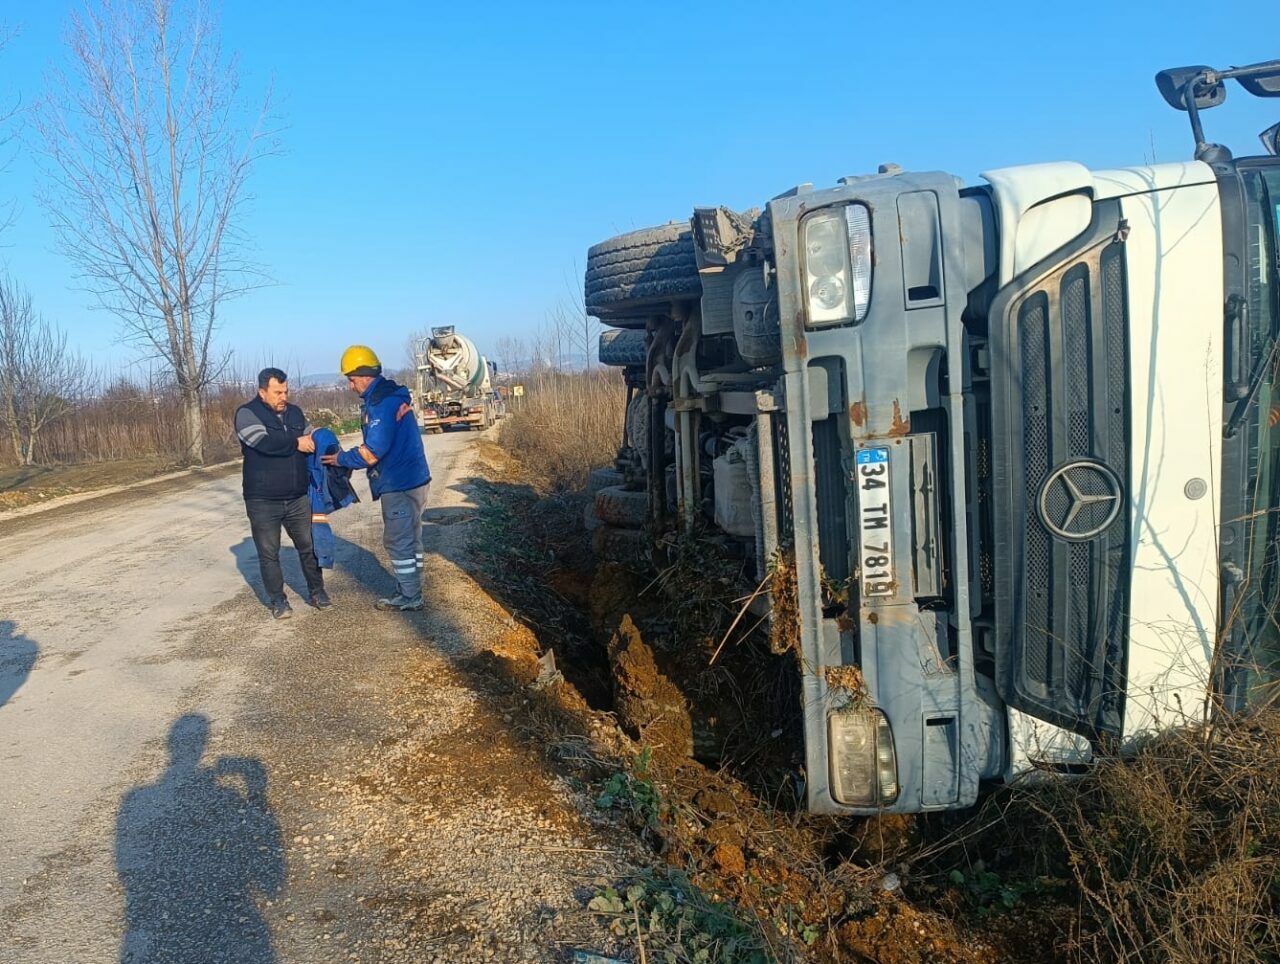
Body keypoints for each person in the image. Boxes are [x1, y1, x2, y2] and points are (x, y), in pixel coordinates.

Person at [322, 346, 431, 611]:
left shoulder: (382, 404)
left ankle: (410, 595)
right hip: (413, 479)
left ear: (366, 375)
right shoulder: (391, 396)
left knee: (397, 540)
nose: (350, 385)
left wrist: (341, 459)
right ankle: (412, 587)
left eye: (352, 378)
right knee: (411, 537)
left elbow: (372, 452)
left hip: (399, 483)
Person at [235, 367, 331, 619]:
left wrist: (321, 438)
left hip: (298, 496)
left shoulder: (295, 413)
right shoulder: (246, 414)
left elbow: (310, 434)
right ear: (262, 391)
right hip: (263, 500)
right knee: (269, 553)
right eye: (277, 392)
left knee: (308, 546)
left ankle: (317, 591)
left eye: (286, 391)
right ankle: (278, 600)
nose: (283, 397)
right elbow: (263, 443)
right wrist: (295, 443)